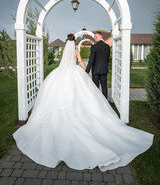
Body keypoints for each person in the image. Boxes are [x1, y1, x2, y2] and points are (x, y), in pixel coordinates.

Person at [13, 33, 154, 172]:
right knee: (81, 93)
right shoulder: (76, 50)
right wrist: (85, 71)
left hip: (62, 73)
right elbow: (79, 60)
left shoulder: (65, 51)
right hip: (74, 73)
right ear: (74, 42)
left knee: (59, 93)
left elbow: (63, 62)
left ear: (67, 41)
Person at [85, 31, 110, 99]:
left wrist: (87, 71)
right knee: (104, 86)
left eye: (94, 37)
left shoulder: (94, 47)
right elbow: (107, 59)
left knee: (96, 86)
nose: (94, 38)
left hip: (96, 70)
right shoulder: (107, 46)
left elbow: (91, 60)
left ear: (96, 37)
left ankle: (97, 100)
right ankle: (105, 101)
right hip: (104, 70)